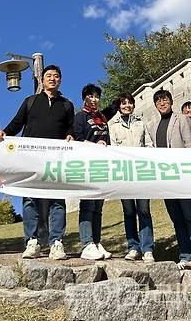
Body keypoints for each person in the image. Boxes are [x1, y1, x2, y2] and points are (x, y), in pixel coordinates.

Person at [0, 65, 74, 261]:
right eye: (48, 76)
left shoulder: (67, 105)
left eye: (56, 76)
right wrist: (4, 132)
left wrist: (72, 135)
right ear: (42, 80)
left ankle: (56, 242)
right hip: (29, 159)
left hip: (56, 160)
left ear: (60, 80)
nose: (52, 79)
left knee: (57, 200)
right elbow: (17, 122)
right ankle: (33, 241)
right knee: (30, 199)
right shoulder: (30, 101)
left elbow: (71, 129)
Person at [145, 89, 191, 270]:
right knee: (177, 218)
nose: (162, 104)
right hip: (166, 179)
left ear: (171, 102)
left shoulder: (181, 119)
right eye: (158, 101)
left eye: (165, 100)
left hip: (183, 175)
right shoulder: (153, 125)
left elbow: (190, 145)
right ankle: (184, 254)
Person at [108, 92, 155, 263]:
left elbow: (149, 145)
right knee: (129, 212)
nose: (127, 106)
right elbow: (112, 150)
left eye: (130, 103)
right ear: (119, 106)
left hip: (141, 174)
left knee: (144, 211)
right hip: (124, 175)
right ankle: (133, 247)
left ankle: (147, 248)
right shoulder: (112, 126)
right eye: (123, 103)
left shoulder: (141, 124)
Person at [74, 84, 112, 261]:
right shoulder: (80, 116)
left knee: (98, 207)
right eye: (91, 96)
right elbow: (78, 140)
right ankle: (86, 243)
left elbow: (108, 141)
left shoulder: (103, 118)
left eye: (97, 96)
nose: (94, 99)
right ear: (85, 98)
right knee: (87, 206)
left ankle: (97, 242)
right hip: (86, 166)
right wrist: (94, 146)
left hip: (101, 167)